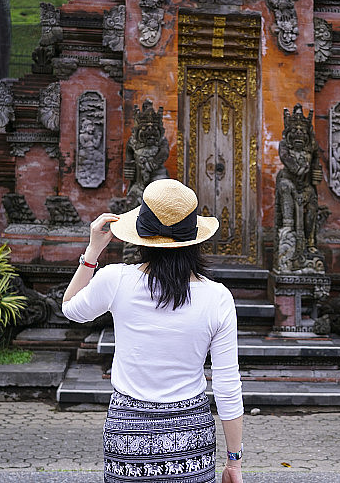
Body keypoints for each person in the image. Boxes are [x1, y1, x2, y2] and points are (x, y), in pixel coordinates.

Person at [62, 179, 244, 483]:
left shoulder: (116, 280)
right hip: (190, 439)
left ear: (141, 236)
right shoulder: (218, 297)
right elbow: (227, 386)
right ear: (194, 239)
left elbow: (70, 308)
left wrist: (92, 251)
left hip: (127, 437)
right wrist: (234, 461)